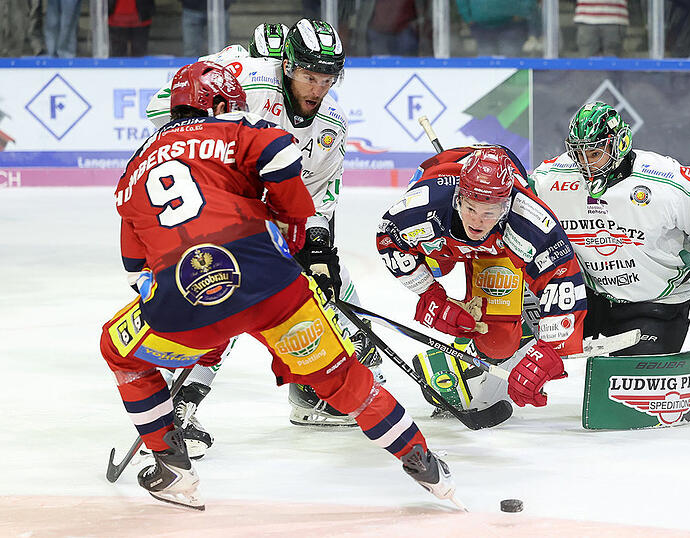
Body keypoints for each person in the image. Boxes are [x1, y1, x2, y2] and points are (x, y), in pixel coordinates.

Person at [100, 60, 455, 510]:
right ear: (221, 103)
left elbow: (135, 268)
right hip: (273, 285)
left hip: (185, 292)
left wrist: (187, 300)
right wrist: (292, 232)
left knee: (119, 351)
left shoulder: (133, 168)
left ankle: (171, 466)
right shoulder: (233, 131)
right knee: (345, 379)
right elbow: (282, 153)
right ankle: (424, 465)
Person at [147, 19, 383, 453]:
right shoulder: (245, 76)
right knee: (226, 293)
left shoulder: (332, 122)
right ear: (288, 67)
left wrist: (318, 247)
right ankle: (180, 401)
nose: (317, 89)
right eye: (309, 76)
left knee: (331, 284)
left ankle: (320, 384)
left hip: (273, 210)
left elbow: (320, 192)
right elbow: (164, 106)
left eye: (327, 79)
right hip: (214, 207)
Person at [529, 102, 690, 356]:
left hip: (655, 305)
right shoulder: (552, 178)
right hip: (586, 298)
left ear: (620, 143)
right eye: (579, 155)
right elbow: (515, 206)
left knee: (628, 380)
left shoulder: (666, 180)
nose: (586, 164)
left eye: (594, 154)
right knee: (521, 329)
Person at [377, 146, 586, 408]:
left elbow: (562, 277)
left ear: (506, 206)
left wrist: (549, 349)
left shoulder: (527, 218)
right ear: (458, 199)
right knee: (441, 268)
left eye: (489, 212)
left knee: (497, 342)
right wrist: (431, 294)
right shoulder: (423, 207)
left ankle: (519, 328)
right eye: (471, 209)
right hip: (443, 241)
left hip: (497, 247)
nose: (477, 222)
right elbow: (388, 238)